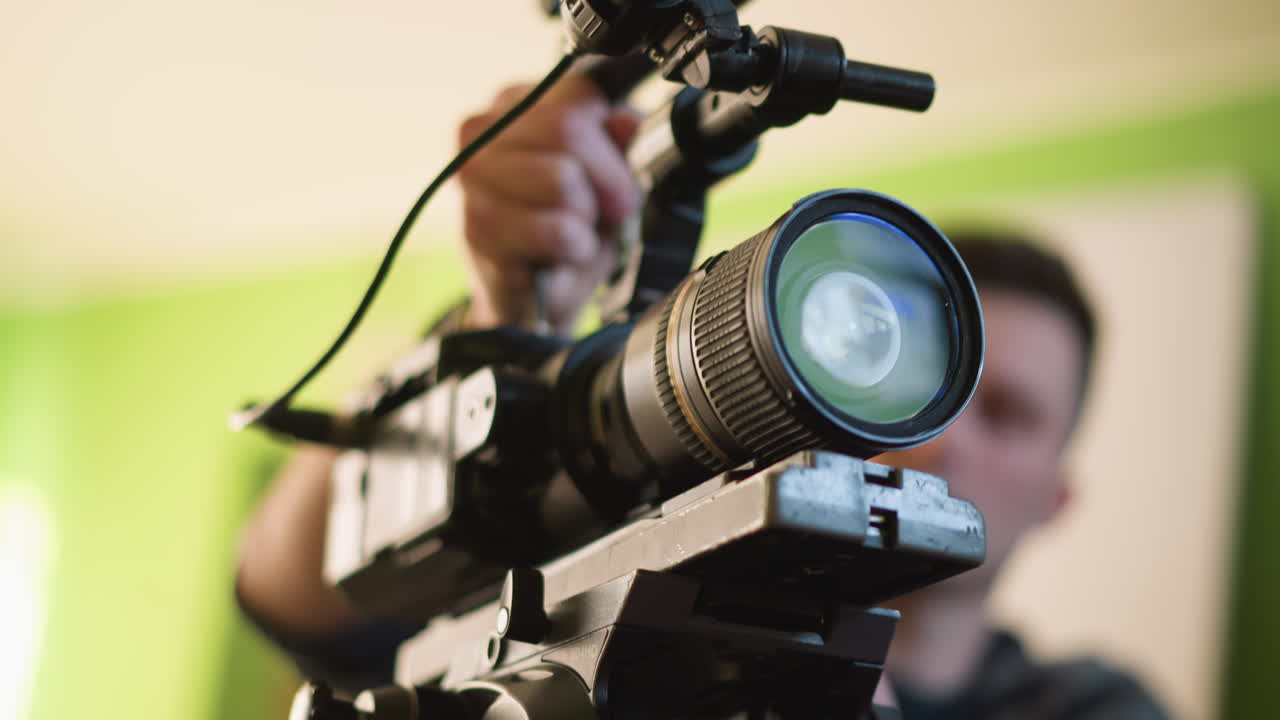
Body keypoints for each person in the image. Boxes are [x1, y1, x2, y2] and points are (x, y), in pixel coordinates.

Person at [236, 73, 1169, 717]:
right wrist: (498, 332)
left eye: (1007, 413)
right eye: (919, 386)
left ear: (1058, 496)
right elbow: (285, 589)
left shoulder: (1089, 705)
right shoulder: (626, 586)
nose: (947, 438)